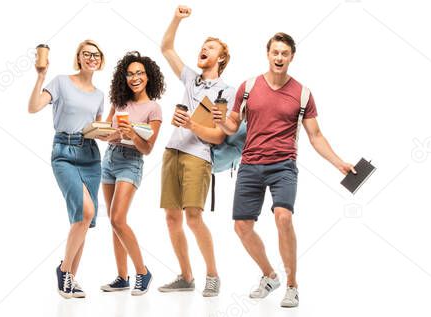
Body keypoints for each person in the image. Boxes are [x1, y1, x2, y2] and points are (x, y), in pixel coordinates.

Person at [214, 32, 356, 308]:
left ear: (291, 57)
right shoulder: (248, 86)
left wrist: (339, 162)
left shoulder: (303, 94)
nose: (279, 58)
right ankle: (269, 276)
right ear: (267, 54)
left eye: (284, 53)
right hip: (250, 164)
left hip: (283, 164)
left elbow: (315, 136)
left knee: (283, 217)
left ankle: (292, 285)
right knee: (242, 227)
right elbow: (232, 125)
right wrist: (220, 122)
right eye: (275, 52)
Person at [156, 5, 229, 297]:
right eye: (203, 46)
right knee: (171, 218)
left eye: (210, 48)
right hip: (172, 151)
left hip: (198, 157)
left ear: (221, 58)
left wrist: (192, 125)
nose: (204, 49)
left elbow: (219, 136)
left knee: (193, 218)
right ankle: (186, 277)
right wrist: (176, 18)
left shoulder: (226, 92)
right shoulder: (190, 79)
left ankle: (212, 275)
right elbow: (166, 47)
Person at [28, 39, 107, 299]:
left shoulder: (99, 95)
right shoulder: (61, 81)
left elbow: (97, 129)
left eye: (96, 55)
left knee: (83, 220)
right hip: (64, 152)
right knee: (86, 211)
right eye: (87, 54)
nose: (91, 58)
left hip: (90, 155)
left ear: (100, 59)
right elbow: (34, 107)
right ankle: (64, 271)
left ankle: (70, 279)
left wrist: (114, 133)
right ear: (79, 57)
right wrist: (41, 77)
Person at [97, 51, 164, 296]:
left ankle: (142, 272)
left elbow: (147, 148)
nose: (135, 77)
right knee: (115, 224)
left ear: (148, 77)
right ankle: (122, 277)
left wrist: (132, 134)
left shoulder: (153, 108)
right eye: (130, 73)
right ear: (124, 77)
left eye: (140, 73)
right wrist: (107, 132)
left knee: (117, 218)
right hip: (110, 159)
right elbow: (105, 132)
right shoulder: (119, 102)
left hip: (131, 162)